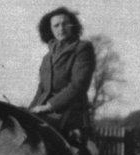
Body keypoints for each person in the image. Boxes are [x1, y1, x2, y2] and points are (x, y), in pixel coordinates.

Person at [29, 7, 96, 138]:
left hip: (69, 111)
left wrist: (49, 106)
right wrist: (29, 110)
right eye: (56, 25)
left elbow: (78, 85)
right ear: (50, 30)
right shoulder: (48, 57)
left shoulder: (82, 49)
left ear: (73, 26)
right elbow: (42, 88)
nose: (61, 28)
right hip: (45, 110)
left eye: (65, 23)